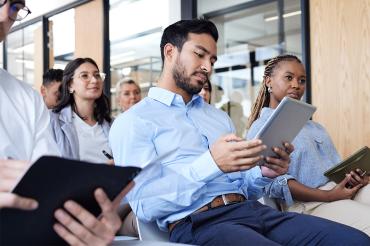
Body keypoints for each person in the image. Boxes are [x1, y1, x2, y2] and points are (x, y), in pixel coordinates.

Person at [109, 19, 370, 245]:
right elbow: (146, 206)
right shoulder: (134, 122)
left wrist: (265, 173)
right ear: (169, 52)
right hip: (201, 223)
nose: (207, 67)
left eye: (211, 60)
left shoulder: (218, 118)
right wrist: (211, 163)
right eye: (199, 55)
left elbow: (246, 186)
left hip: (252, 211)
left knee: (356, 241)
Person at [0, 2, 120, 245]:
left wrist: (80, 225)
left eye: (14, 6)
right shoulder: (55, 119)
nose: (5, 15)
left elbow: (49, 192)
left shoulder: (26, 99)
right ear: (71, 85)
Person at [246, 54, 370, 235]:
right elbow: (272, 183)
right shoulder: (262, 127)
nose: (296, 85)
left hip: (338, 192)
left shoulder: (315, 127)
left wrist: (354, 178)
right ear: (268, 82)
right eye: (289, 78)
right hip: (308, 205)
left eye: (301, 80)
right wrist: (329, 196)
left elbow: (334, 168)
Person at [50, 58, 113, 163]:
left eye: (97, 75)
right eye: (84, 76)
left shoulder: (111, 123)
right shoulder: (52, 121)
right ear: (70, 85)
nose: (94, 80)